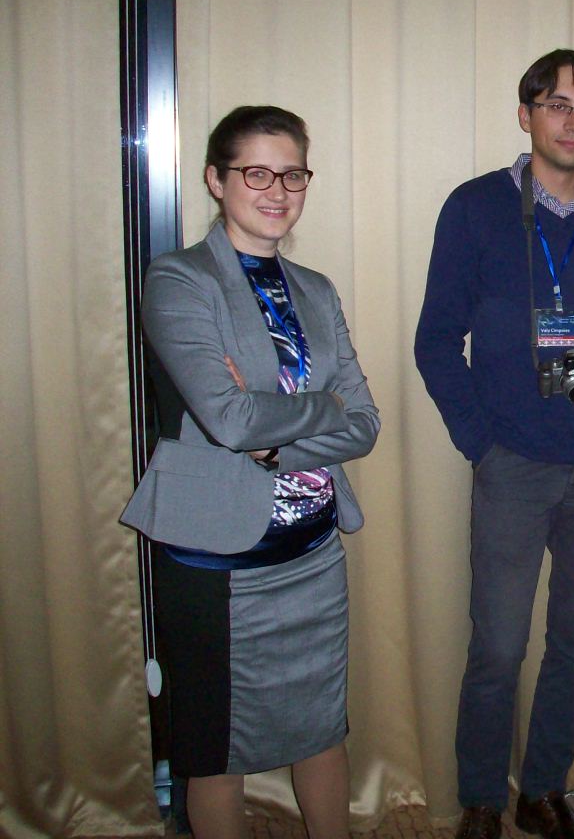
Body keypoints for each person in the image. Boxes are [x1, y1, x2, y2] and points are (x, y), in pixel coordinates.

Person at [415, 49, 574, 839]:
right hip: (513, 468)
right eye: (557, 103)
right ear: (526, 114)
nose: (573, 120)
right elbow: (434, 342)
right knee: (497, 649)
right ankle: (483, 799)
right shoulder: (475, 208)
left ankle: (543, 789)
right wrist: (481, 444)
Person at [120, 106, 380, 839]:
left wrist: (276, 442)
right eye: (256, 173)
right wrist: (320, 407)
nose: (278, 190)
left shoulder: (316, 289)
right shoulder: (179, 280)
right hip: (218, 563)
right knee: (215, 755)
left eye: (293, 174)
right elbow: (230, 421)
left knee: (322, 730)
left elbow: (364, 424)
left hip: (313, 553)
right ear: (216, 179)